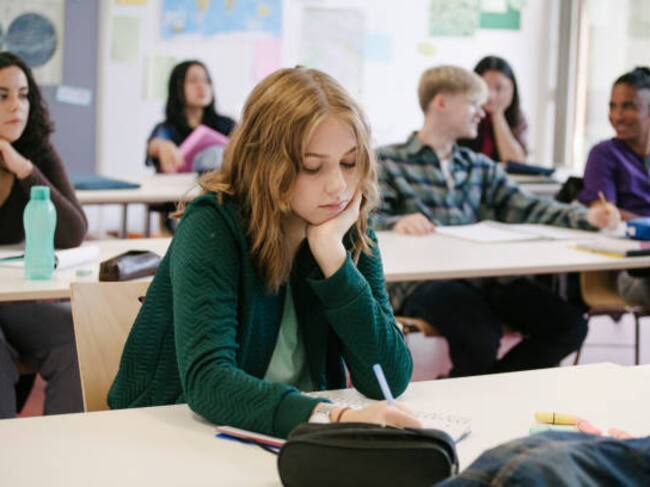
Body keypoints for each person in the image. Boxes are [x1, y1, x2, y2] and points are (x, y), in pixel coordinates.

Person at [109, 67, 420, 437]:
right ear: (266, 163)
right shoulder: (213, 224)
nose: (338, 186)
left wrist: (334, 261)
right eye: (312, 167)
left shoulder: (345, 227)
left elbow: (390, 376)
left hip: (290, 434)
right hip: (175, 432)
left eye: (349, 163)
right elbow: (209, 383)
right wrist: (333, 418)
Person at [373, 65, 620, 378]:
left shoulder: (478, 166)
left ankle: (478, 387)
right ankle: (477, 391)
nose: (481, 113)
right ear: (441, 102)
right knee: (479, 334)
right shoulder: (388, 162)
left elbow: (528, 206)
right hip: (422, 285)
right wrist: (394, 222)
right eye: (473, 104)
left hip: (483, 278)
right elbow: (363, 221)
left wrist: (587, 217)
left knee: (568, 326)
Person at [0, 51, 85, 417]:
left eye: (23, 94)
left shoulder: (36, 150)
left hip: (16, 297)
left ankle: (58, 457)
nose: (16, 106)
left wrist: (24, 170)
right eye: (2, 95)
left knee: (76, 333)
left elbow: (74, 231)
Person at [578, 67, 650, 306]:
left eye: (628, 106)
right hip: (631, 269)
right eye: (612, 106)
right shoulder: (603, 155)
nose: (617, 116)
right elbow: (607, 214)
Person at [146, 60, 236, 173]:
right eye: (193, 81)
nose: (202, 86)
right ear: (177, 87)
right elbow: (155, 144)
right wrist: (162, 146)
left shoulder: (227, 124)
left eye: (207, 81)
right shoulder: (167, 128)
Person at [459, 55, 528, 163]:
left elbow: (516, 163)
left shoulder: (517, 117)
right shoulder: (463, 114)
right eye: (485, 87)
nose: (491, 95)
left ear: (511, 89)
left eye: (499, 88)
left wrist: (498, 114)